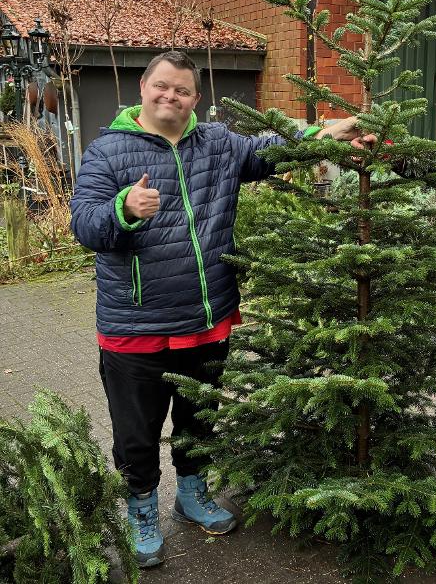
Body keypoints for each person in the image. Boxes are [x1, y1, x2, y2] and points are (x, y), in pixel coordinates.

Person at [70, 50, 359, 568]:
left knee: (199, 420)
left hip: (207, 319)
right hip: (136, 327)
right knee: (136, 433)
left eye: (181, 90)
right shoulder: (108, 152)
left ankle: (191, 492)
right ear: (143, 88)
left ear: (195, 98)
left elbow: (271, 148)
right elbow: (86, 225)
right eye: (161, 86)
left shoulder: (218, 144)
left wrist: (328, 133)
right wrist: (124, 210)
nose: (170, 97)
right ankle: (140, 509)